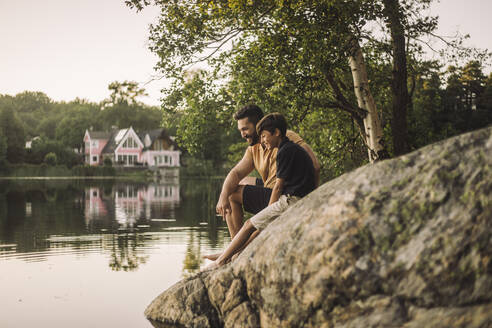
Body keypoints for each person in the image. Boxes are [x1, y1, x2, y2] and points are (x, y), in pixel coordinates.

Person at [204, 104, 320, 260]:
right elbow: (236, 173)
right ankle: (236, 247)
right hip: (270, 188)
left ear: (258, 125)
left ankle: (236, 251)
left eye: (245, 129)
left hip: (283, 193)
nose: (243, 135)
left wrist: (311, 196)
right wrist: (222, 196)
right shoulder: (253, 149)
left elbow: (315, 165)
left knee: (233, 194)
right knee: (239, 183)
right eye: (240, 130)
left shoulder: (285, 137)